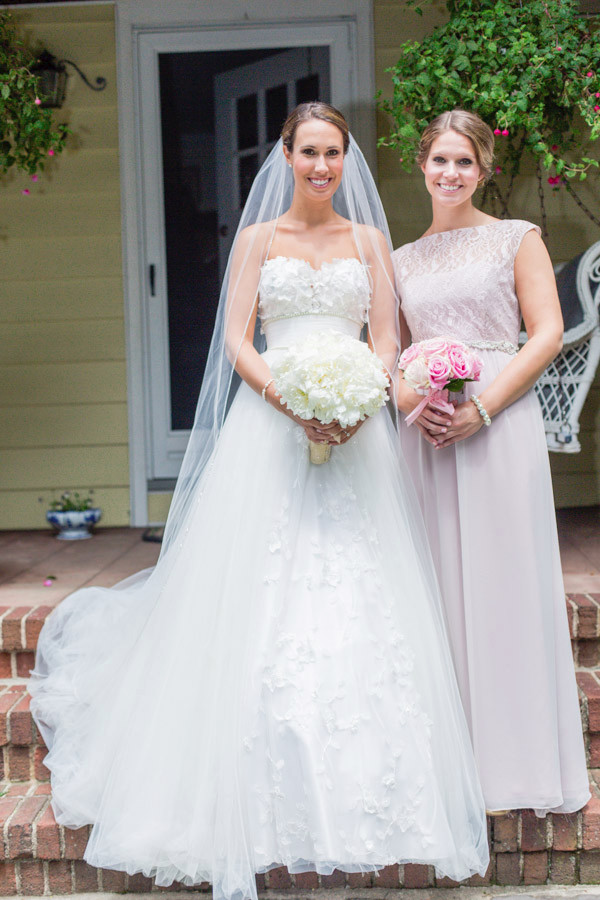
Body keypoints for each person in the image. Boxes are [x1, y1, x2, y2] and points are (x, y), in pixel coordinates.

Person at [29, 103, 489, 900]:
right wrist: (291, 398)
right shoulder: (257, 241)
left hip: (355, 438)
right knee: (254, 594)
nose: (321, 165)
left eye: (334, 153)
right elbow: (239, 339)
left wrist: (360, 398)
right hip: (268, 430)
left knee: (358, 593)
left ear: (347, 161)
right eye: (308, 151)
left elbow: (385, 337)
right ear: (284, 155)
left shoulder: (370, 242)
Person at [393, 108, 590, 815]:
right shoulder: (401, 260)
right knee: (438, 586)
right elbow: (392, 358)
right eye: (440, 160)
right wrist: (415, 402)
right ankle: (450, 762)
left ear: (485, 169)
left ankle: (517, 765)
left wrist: (482, 409)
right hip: (426, 433)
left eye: (465, 162)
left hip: (497, 427)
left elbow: (546, 334)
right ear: (423, 165)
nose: (451, 173)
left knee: (504, 584)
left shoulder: (516, 238)